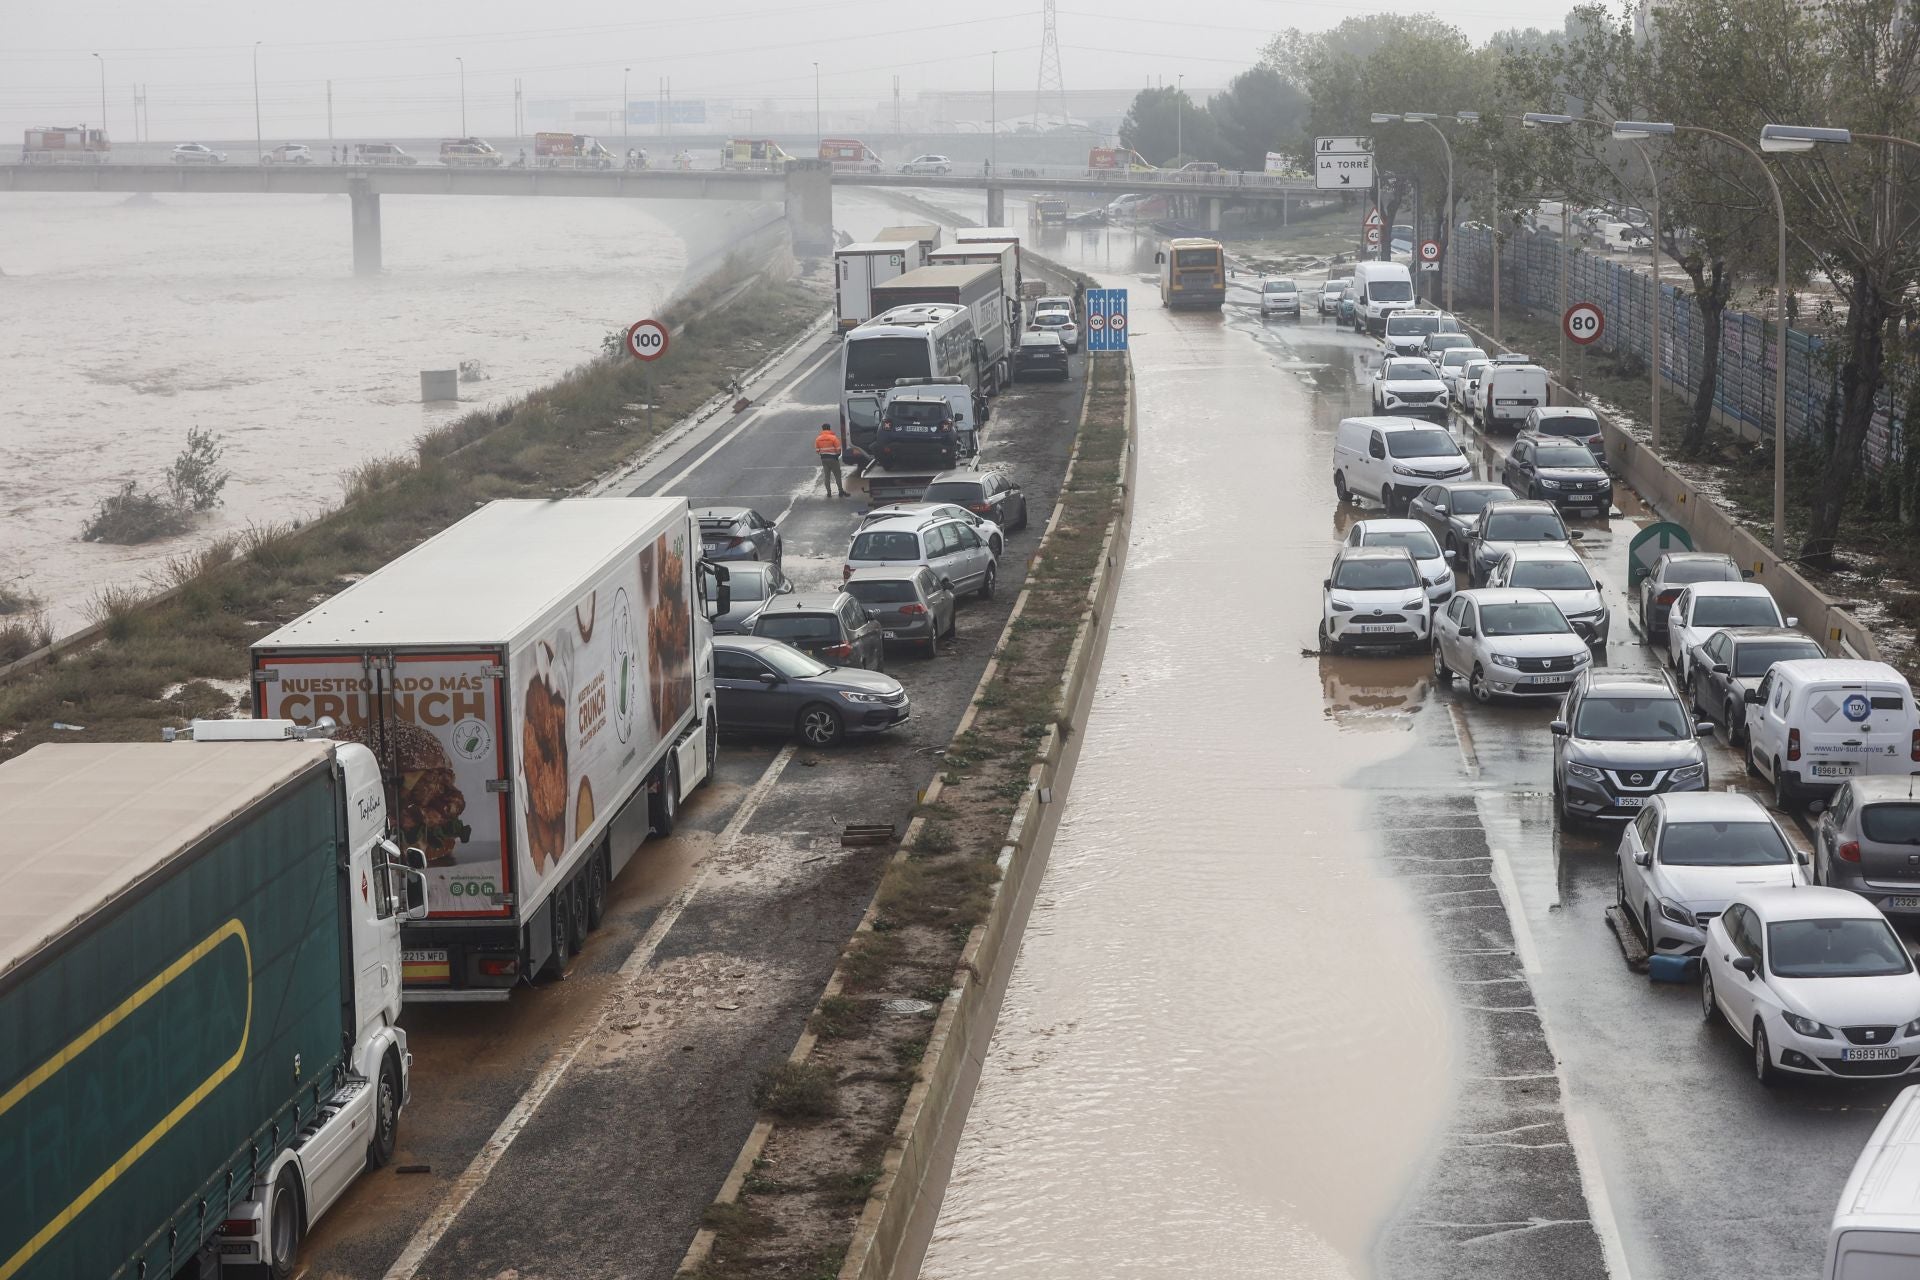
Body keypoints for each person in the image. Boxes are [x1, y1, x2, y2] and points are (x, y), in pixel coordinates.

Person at [814, 423, 845, 497]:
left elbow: (817, 450)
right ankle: (840, 491)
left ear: (823, 429)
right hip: (833, 459)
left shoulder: (818, 439)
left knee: (827, 476)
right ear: (829, 428)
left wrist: (823, 454)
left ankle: (829, 493)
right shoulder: (833, 438)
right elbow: (838, 449)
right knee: (837, 475)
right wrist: (837, 455)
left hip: (824, 459)